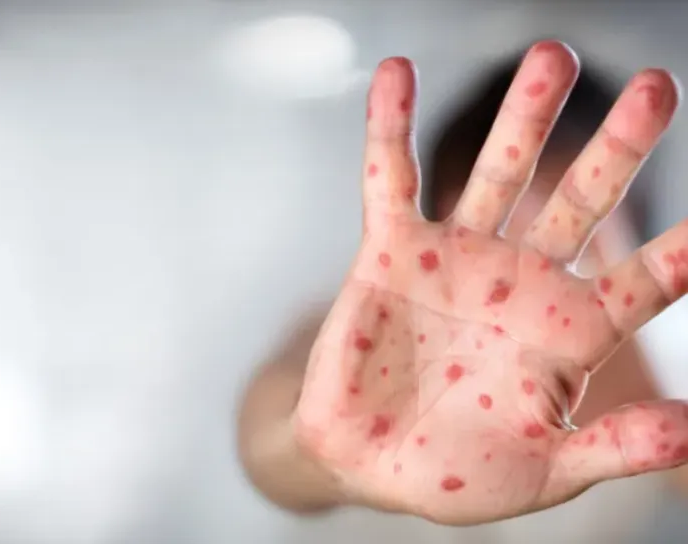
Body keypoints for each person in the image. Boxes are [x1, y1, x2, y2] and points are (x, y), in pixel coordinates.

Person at [237, 40, 688, 540]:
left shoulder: (674, 347)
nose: (524, 274)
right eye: (506, 221)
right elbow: (262, 447)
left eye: (578, 236)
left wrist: (639, 392)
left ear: (633, 234)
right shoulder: (358, 327)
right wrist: (323, 456)